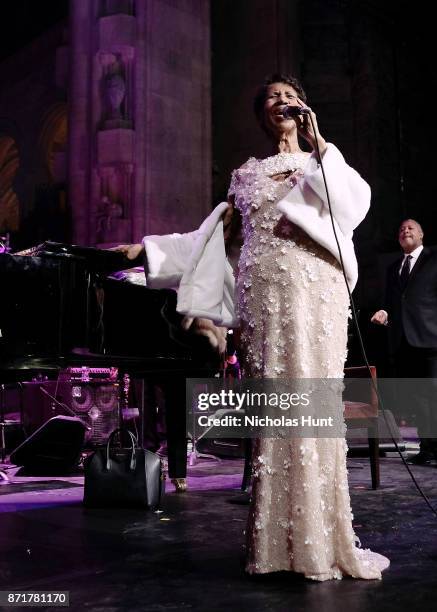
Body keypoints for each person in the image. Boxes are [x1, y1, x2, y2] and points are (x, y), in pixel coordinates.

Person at [114, 72, 389, 580]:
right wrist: (145, 249)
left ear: (303, 107)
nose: (281, 103)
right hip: (264, 298)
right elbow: (206, 239)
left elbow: (352, 208)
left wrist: (320, 143)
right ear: (262, 115)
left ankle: (321, 540)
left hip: (316, 291)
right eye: (272, 99)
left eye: (290, 97)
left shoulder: (322, 161)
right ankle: (276, 543)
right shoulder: (246, 174)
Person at [371, 219, 437, 464]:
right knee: (418, 396)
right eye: (400, 230)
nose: (405, 231)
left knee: (434, 393)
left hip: (431, 337)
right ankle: (428, 448)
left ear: (421, 233)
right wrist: (384, 313)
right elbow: (392, 302)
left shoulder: (433, 258)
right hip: (404, 340)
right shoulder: (393, 267)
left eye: (410, 228)